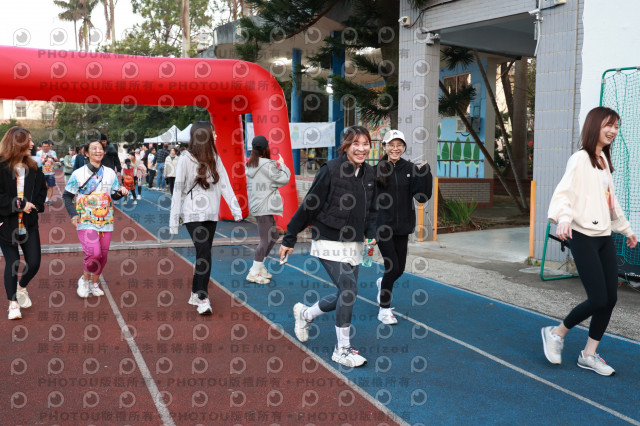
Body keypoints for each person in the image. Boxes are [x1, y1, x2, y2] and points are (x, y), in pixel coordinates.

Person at [544, 106, 637, 376]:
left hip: (604, 237)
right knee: (597, 298)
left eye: (616, 126)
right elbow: (565, 192)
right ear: (594, 125)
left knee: (610, 299)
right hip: (583, 236)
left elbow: (610, 202)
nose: (613, 131)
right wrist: (563, 218)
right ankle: (556, 333)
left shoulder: (603, 160)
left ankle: (588, 354)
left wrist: (627, 230)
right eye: (609, 125)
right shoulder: (580, 158)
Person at [279, 125, 377, 367]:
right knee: (348, 289)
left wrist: (372, 233)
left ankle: (305, 314)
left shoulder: (369, 174)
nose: (361, 149)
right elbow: (309, 206)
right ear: (345, 146)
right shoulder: (330, 170)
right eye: (356, 144)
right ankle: (341, 349)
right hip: (328, 239)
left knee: (347, 293)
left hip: (354, 242)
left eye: (365, 144)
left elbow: (372, 209)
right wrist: (290, 237)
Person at [169, 121, 242, 315]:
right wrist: (174, 219)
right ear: (204, 135)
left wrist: (236, 210)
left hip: (211, 213)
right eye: (213, 132)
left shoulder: (215, 158)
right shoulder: (185, 159)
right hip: (192, 213)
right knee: (204, 253)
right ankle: (203, 297)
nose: (216, 135)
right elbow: (178, 189)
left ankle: (195, 292)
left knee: (204, 254)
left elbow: (225, 184)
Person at [374, 130, 432, 324]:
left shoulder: (410, 168)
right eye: (391, 145)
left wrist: (425, 175)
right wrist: (368, 228)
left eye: (399, 145)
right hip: (382, 227)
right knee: (392, 268)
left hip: (403, 226)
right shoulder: (375, 170)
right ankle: (384, 310)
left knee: (399, 269)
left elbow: (421, 197)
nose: (395, 148)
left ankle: (383, 283)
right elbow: (368, 201)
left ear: (404, 147)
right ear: (384, 146)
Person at [63, 139, 129, 298]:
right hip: (85, 219)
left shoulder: (110, 173)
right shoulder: (78, 174)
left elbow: (114, 195)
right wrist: (73, 214)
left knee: (103, 256)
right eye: (94, 148)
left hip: (106, 219)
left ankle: (94, 283)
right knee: (94, 253)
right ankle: (84, 280)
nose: (98, 151)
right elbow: (67, 196)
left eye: (100, 148)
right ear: (85, 153)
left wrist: (121, 192)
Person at [0, 127, 47, 319]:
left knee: (34, 262)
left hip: (29, 223)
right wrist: (19, 204)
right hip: (6, 223)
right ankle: (13, 304)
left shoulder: (34, 167)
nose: (33, 144)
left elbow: (41, 192)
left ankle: (21, 287)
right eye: (29, 140)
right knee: (13, 262)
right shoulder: (2, 167)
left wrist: (34, 205)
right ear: (17, 143)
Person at [245, 135, 290, 284]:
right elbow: (283, 179)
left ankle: (260, 265)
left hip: (260, 205)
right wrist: (282, 165)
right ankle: (254, 272)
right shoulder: (266, 165)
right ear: (265, 148)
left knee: (274, 235)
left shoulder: (251, 164)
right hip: (263, 206)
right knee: (265, 240)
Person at [35, 140, 58, 205]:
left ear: (49, 146)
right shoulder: (38, 153)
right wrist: (43, 161)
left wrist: (52, 157)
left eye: (47, 146)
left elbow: (56, 160)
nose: (45, 148)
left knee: (51, 186)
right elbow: (37, 164)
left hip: (51, 173)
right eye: (44, 146)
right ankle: (43, 197)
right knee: (44, 186)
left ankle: (49, 200)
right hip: (42, 173)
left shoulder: (53, 152)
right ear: (42, 146)